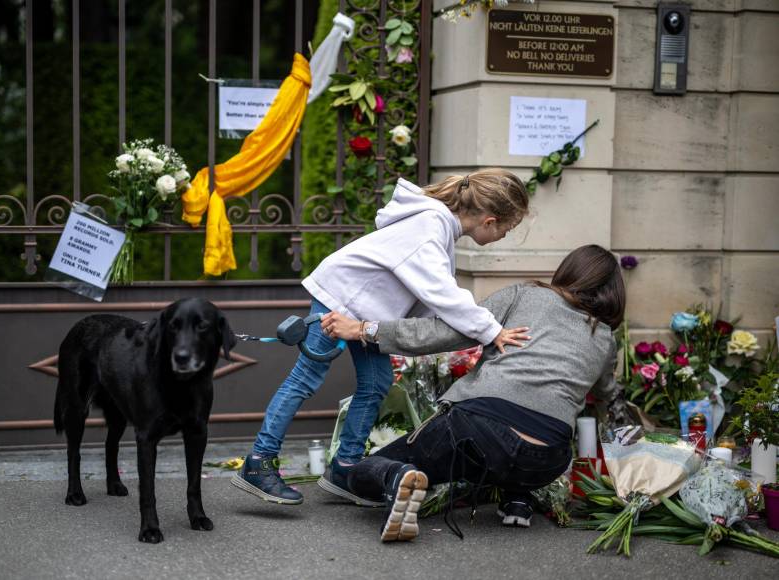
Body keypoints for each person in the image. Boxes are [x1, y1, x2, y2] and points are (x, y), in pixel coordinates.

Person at [232, 170, 531, 505]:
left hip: (364, 310)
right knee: (306, 377)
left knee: (376, 384)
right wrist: (493, 331)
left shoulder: (439, 226)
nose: (506, 235)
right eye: (508, 228)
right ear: (490, 221)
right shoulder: (430, 226)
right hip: (340, 297)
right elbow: (443, 293)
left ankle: (345, 468)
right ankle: (259, 461)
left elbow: (430, 294)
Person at [320, 244, 626, 542]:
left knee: (360, 473)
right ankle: (518, 499)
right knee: (517, 437)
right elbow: (606, 396)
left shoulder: (525, 295)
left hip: (479, 431)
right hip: (547, 459)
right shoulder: (604, 339)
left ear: (568, 271)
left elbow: (447, 331)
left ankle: (396, 478)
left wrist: (365, 330)